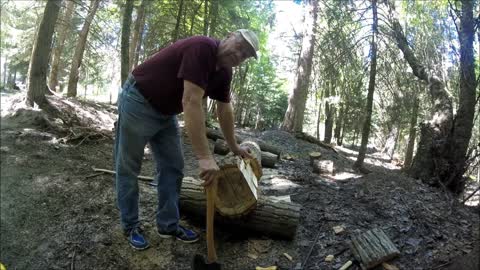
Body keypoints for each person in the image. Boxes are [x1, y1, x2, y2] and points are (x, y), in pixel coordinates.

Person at [114, 29, 259, 250]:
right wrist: (204, 157)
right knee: (128, 167)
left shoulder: (225, 73)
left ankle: (168, 225)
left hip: (166, 113)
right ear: (228, 36)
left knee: (173, 167)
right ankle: (131, 226)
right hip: (139, 101)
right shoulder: (202, 48)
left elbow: (224, 109)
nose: (240, 55)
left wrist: (234, 146)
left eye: (246, 55)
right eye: (240, 47)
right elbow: (191, 100)